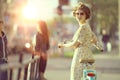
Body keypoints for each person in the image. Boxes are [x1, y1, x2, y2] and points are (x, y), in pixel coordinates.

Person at [58, 2, 103, 80]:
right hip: (88, 55)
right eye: (77, 13)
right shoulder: (87, 26)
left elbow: (75, 44)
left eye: (82, 14)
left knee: (76, 77)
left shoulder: (83, 28)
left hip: (80, 56)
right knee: (87, 77)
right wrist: (100, 48)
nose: (79, 16)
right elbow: (94, 39)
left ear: (86, 15)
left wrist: (63, 45)